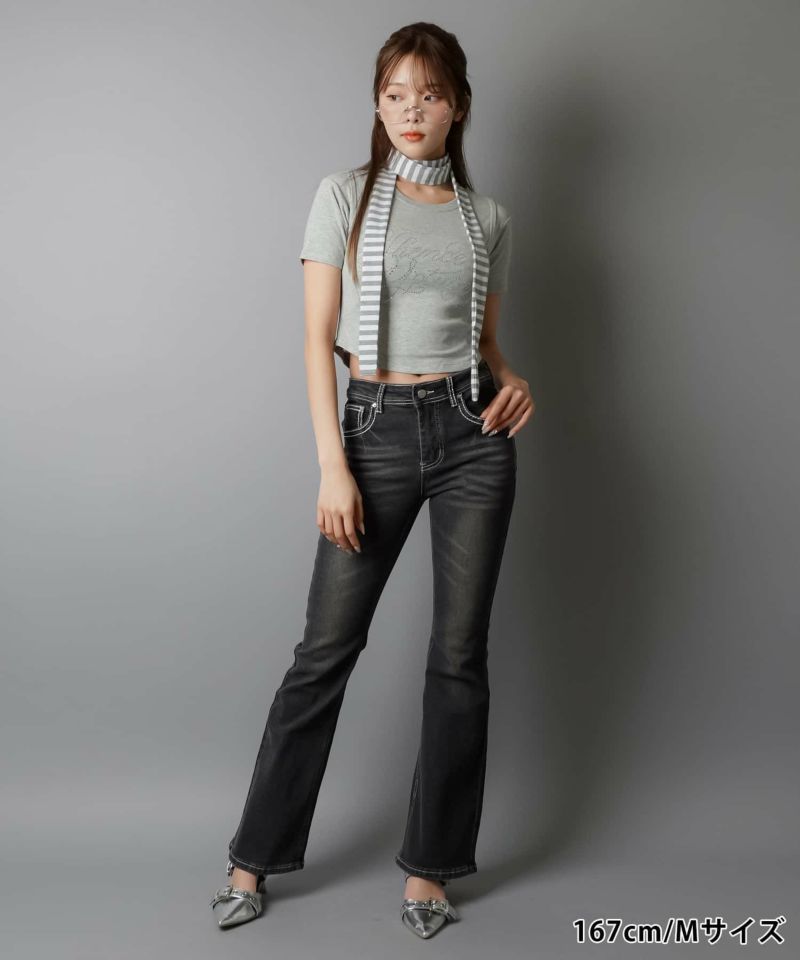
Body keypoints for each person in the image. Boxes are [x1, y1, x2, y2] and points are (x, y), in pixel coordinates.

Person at [209, 21, 535, 939]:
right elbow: (317, 339)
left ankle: (431, 870)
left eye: (428, 94)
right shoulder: (344, 196)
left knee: (459, 656)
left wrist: (513, 379)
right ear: (377, 104)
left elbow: (485, 344)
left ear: (458, 105)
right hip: (373, 431)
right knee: (325, 651)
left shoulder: (489, 218)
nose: (410, 110)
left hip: (473, 435)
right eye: (395, 94)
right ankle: (252, 859)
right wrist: (333, 466)